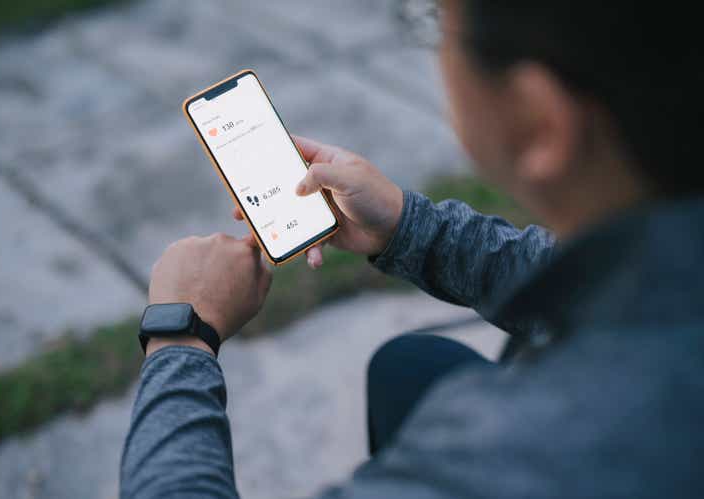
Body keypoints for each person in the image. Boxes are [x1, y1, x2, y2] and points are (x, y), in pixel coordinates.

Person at [120, 1, 703, 497]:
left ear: (538, 120)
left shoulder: (508, 451)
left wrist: (182, 334)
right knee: (408, 369)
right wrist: (410, 228)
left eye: (434, 25)